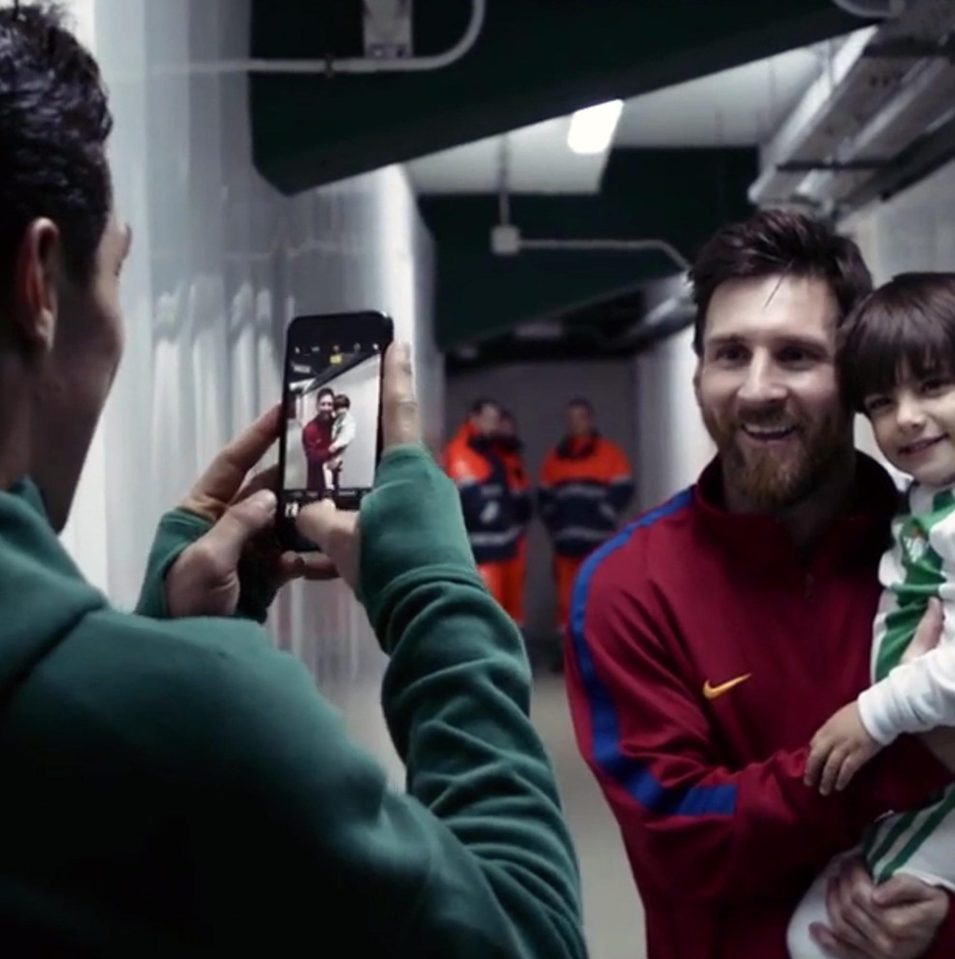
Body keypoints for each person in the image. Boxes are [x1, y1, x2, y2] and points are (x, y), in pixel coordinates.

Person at [0, 6, 586, 956]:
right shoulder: (218, 724)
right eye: (112, 272)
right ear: (38, 284)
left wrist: (156, 641)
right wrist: (434, 586)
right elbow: (526, 933)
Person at [566, 209, 955, 959]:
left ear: (854, 379)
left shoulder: (926, 550)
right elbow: (679, 834)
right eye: (730, 354)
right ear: (697, 374)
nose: (757, 388)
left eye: (797, 355)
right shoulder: (628, 587)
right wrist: (910, 752)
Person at [791, 273, 955, 957]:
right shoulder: (924, 498)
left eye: (934, 386)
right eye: (881, 402)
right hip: (931, 767)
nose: (907, 417)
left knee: (813, 935)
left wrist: (875, 713)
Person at [538, 397, 633, 634]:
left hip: (599, 543)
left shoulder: (610, 454)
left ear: (591, 420)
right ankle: (567, 653)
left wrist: (602, 514)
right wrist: (557, 523)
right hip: (565, 544)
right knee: (566, 601)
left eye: (580, 418)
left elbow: (623, 489)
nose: (575, 423)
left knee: (598, 597)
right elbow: (544, 497)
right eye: (571, 419)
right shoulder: (554, 458)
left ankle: (597, 652)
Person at [443, 398, 519, 607]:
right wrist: (503, 516)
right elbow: (478, 508)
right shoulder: (461, 452)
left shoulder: (490, 452)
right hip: (481, 552)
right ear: (474, 418)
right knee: (487, 609)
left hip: (499, 550)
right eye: (489, 419)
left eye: (496, 420)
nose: (494, 426)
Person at [495, 409, 532, 626]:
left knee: (515, 600)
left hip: (517, 537)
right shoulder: (491, 460)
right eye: (503, 426)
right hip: (497, 539)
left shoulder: (515, 460)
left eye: (510, 427)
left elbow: (523, 495)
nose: (508, 431)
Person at [302, 386, 335, 494]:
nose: (326, 408)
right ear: (317, 406)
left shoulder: (337, 425)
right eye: (323, 404)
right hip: (315, 485)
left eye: (329, 404)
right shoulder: (309, 429)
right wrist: (330, 451)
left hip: (334, 484)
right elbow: (312, 457)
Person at [327, 391, 356, 492]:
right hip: (332, 452)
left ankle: (334, 493)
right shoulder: (336, 419)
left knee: (333, 473)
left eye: (344, 408)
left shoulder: (349, 421)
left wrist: (336, 444)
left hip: (340, 451)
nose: (341, 411)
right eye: (338, 408)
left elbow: (347, 436)